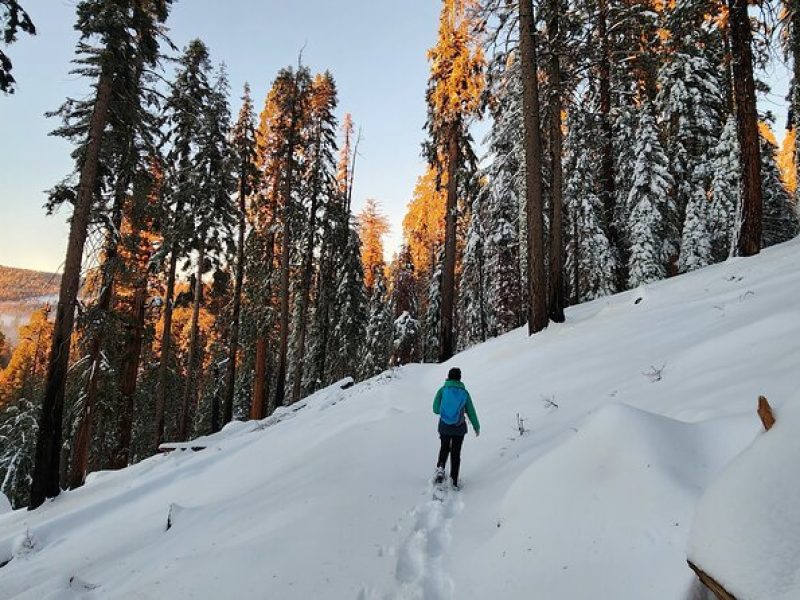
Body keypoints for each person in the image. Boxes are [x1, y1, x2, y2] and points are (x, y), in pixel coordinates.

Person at [432, 367, 479, 489]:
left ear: (448, 376)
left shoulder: (442, 390)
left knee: (444, 448)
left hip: (444, 426)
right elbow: (471, 411)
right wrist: (476, 426)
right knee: (455, 453)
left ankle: (441, 469)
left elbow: (435, 409)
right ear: (459, 378)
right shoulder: (464, 393)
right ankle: (454, 480)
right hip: (459, 428)